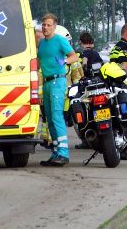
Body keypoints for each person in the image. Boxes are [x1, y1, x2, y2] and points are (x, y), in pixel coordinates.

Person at [37, 13, 78, 166]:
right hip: (47, 83)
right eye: (44, 25)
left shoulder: (60, 40)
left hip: (57, 81)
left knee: (56, 116)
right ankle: (56, 152)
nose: (45, 27)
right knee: (49, 119)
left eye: (48, 25)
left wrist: (65, 61)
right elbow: (40, 62)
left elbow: (74, 56)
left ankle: (63, 153)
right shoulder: (41, 43)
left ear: (54, 27)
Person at [109, 23, 127, 159]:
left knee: (120, 114)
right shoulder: (124, 48)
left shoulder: (119, 47)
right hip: (123, 85)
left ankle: (121, 144)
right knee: (124, 115)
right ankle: (122, 146)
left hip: (117, 85)